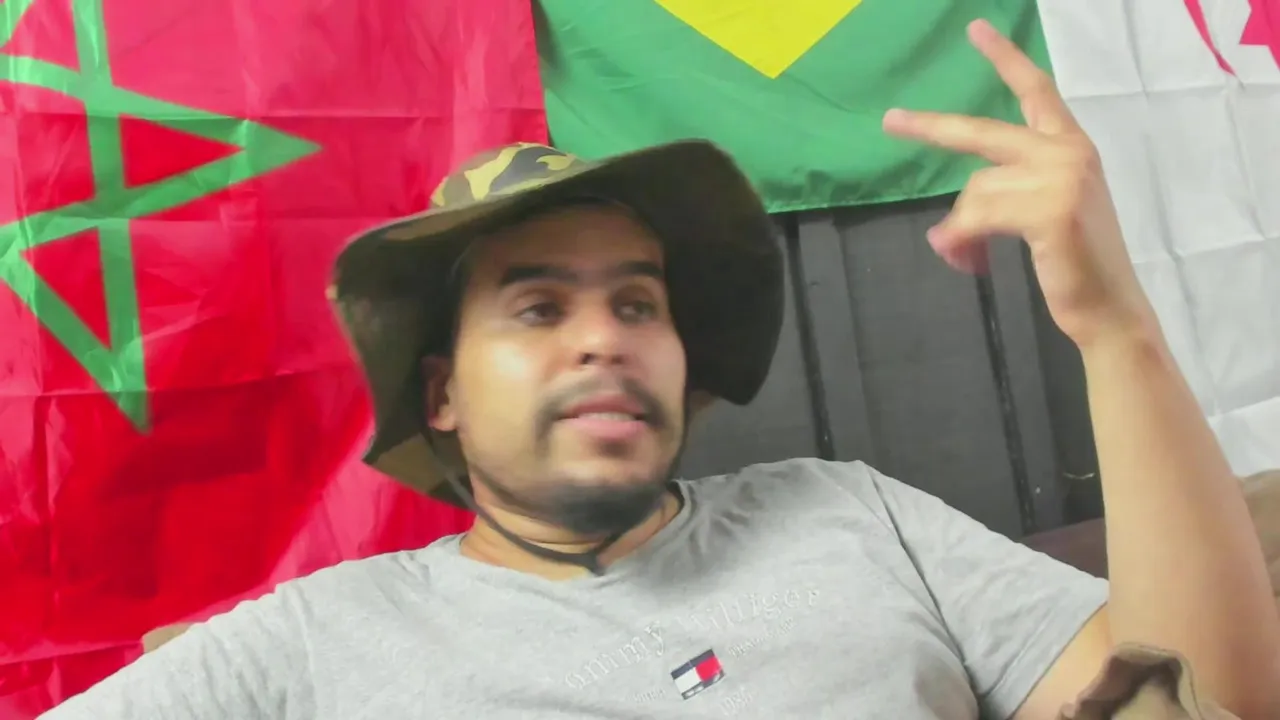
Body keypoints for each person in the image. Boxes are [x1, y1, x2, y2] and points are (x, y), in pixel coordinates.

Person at [42, 20, 1278, 720]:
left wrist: (1114, 330)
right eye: (537, 307)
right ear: (441, 396)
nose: (604, 336)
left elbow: (1204, 706)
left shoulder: (853, 517)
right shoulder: (315, 643)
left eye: (637, 302)